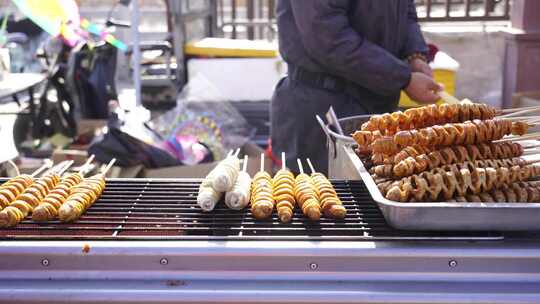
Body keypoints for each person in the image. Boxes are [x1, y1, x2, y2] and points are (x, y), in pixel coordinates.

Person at [271, 1, 443, 175]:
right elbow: (328, 37)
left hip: (376, 100)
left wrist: (415, 56)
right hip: (322, 105)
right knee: (318, 195)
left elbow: (405, 11)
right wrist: (402, 78)